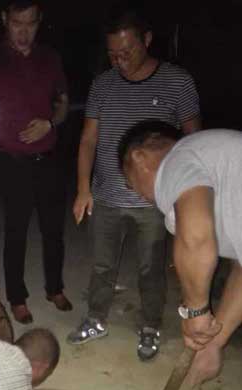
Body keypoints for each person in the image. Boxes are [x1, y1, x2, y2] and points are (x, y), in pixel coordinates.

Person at [119, 120, 242, 390]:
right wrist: (215, 341)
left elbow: (196, 239)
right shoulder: (221, 166)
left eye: (132, 186)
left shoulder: (179, 160)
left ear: (140, 158)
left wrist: (194, 311)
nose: (140, 197)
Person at [68, 5, 201, 360]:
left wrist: (184, 196)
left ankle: (150, 325)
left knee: (151, 269)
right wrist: (83, 188)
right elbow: (88, 139)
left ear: (147, 40)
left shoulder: (177, 81)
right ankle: (96, 318)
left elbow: (193, 141)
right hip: (106, 195)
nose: (119, 61)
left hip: (154, 201)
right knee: (101, 266)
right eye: (112, 54)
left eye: (126, 52)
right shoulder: (103, 83)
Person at [0, 0, 72, 324]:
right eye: (17, 23)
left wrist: (50, 123)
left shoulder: (50, 58)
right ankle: (17, 297)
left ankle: (55, 288)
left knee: (53, 230)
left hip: (49, 158)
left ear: (39, 21)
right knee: (16, 231)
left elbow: (63, 103)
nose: (24, 32)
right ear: (5, 19)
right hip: (12, 161)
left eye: (30, 24)